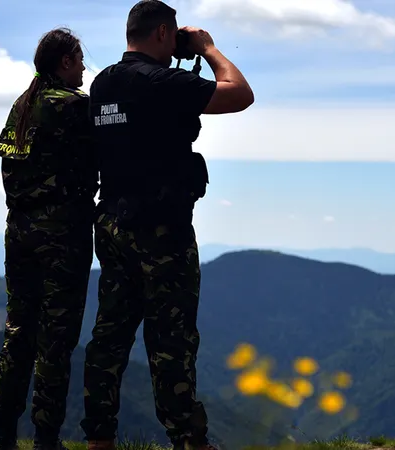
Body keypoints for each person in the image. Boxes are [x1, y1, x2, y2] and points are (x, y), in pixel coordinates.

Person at [79, 1, 254, 449]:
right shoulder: (161, 82)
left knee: (110, 335)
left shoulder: (103, 84)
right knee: (171, 341)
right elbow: (238, 93)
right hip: (162, 230)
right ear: (162, 33)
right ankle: (189, 441)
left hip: (113, 226)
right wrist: (209, 48)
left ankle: (98, 438)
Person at [0, 27, 99, 450]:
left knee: (18, 331)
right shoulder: (70, 106)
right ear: (65, 62)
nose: (85, 67)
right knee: (56, 336)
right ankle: (46, 438)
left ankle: (4, 435)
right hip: (62, 235)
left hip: (18, 232)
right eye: (79, 59)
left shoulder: (22, 105)